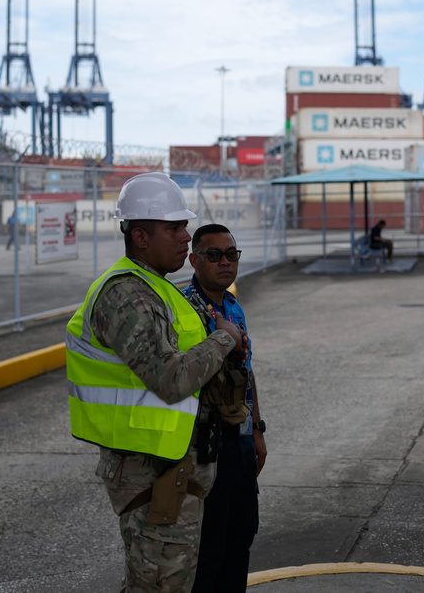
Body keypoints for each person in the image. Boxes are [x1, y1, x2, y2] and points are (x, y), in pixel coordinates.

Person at [65, 172, 247, 592]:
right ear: (142, 237)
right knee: (160, 586)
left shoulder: (156, 289)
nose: (186, 237)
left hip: (170, 467)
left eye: (184, 226)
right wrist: (224, 338)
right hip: (149, 473)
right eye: (174, 228)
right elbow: (170, 378)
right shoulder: (127, 294)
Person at [184, 224, 267, 592]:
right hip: (206, 447)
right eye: (214, 255)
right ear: (194, 260)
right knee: (209, 550)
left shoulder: (232, 305)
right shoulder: (184, 309)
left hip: (242, 442)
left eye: (231, 254)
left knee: (241, 537)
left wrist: (258, 430)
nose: (225, 262)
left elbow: (246, 372)